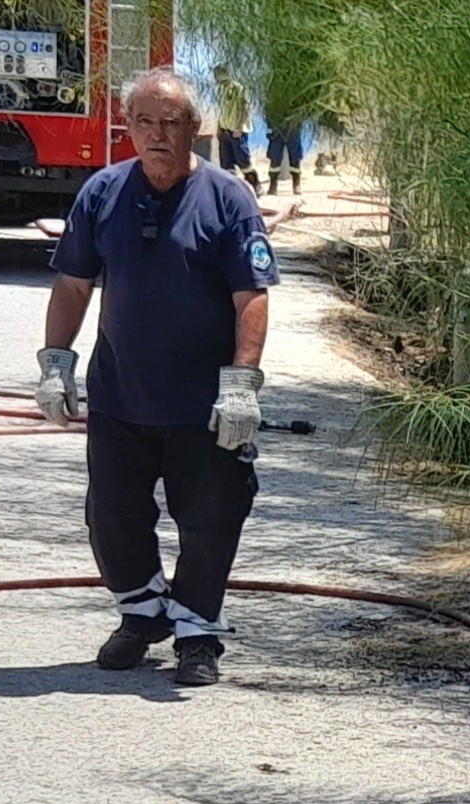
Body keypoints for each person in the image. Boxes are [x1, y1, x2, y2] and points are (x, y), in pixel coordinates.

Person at [35, 67, 280, 686]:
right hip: (121, 394)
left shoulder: (228, 199)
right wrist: (55, 364)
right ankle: (142, 615)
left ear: (195, 129)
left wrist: (241, 385)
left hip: (203, 403)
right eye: (144, 121)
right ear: (127, 127)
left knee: (211, 514)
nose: (157, 134)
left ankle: (197, 631)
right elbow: (73, 283)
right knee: (111, 514)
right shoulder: (102, 193)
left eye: (171, 122)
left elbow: (251, 295)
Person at [211, 65, 260, 194]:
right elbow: (220, 110)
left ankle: (256, 186)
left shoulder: (239, 89)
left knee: (243, 162)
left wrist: (239, 128)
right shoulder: (220, 90)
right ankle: (231, 192)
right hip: (224, 130)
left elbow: (245, 110)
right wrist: (218, 128)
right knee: (226, 164)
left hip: (237, 132)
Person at [266, 119, 304, 196]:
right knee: (275, 154)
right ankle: (273, 184)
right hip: (276, 125)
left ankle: (296, 184)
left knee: (295, 155)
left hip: (293, 125)